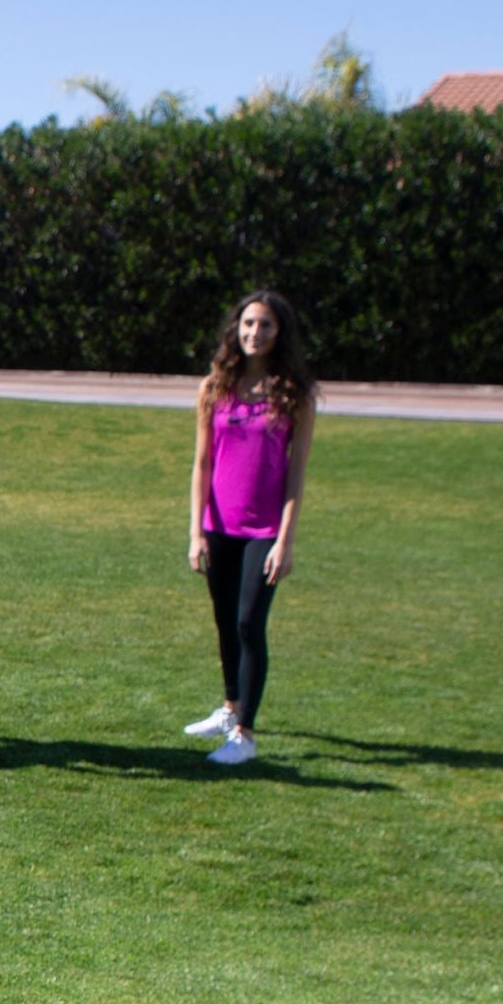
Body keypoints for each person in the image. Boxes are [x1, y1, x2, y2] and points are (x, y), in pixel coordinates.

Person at [183, 289, 318, 767]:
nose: (253, 334)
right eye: (247, 324)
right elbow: (201, 463)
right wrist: (197, 531)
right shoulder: (214, 387)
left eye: (264, 325)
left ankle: (245, 733)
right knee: (224, 621)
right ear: (234, 330)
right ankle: (229, 706)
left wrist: (285, 540)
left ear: (279, 333)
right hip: (218, 526)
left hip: (263, 530)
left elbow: (296, 473)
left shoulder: (294, 396)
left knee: (248, 622)